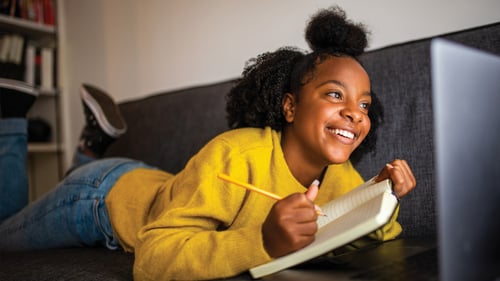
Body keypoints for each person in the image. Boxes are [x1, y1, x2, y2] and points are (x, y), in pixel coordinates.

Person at [0, 6, 416, 281]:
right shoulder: (236, 154)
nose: (356, 113)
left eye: (364, 104)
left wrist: (380, 195)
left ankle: (90, 145)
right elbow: (151, 257)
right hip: (102, 198)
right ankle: (11, 121)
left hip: (157, 184)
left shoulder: (340, 174)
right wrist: (262, 244)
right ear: (290, 107)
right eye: (335, 95)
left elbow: (371, 235)